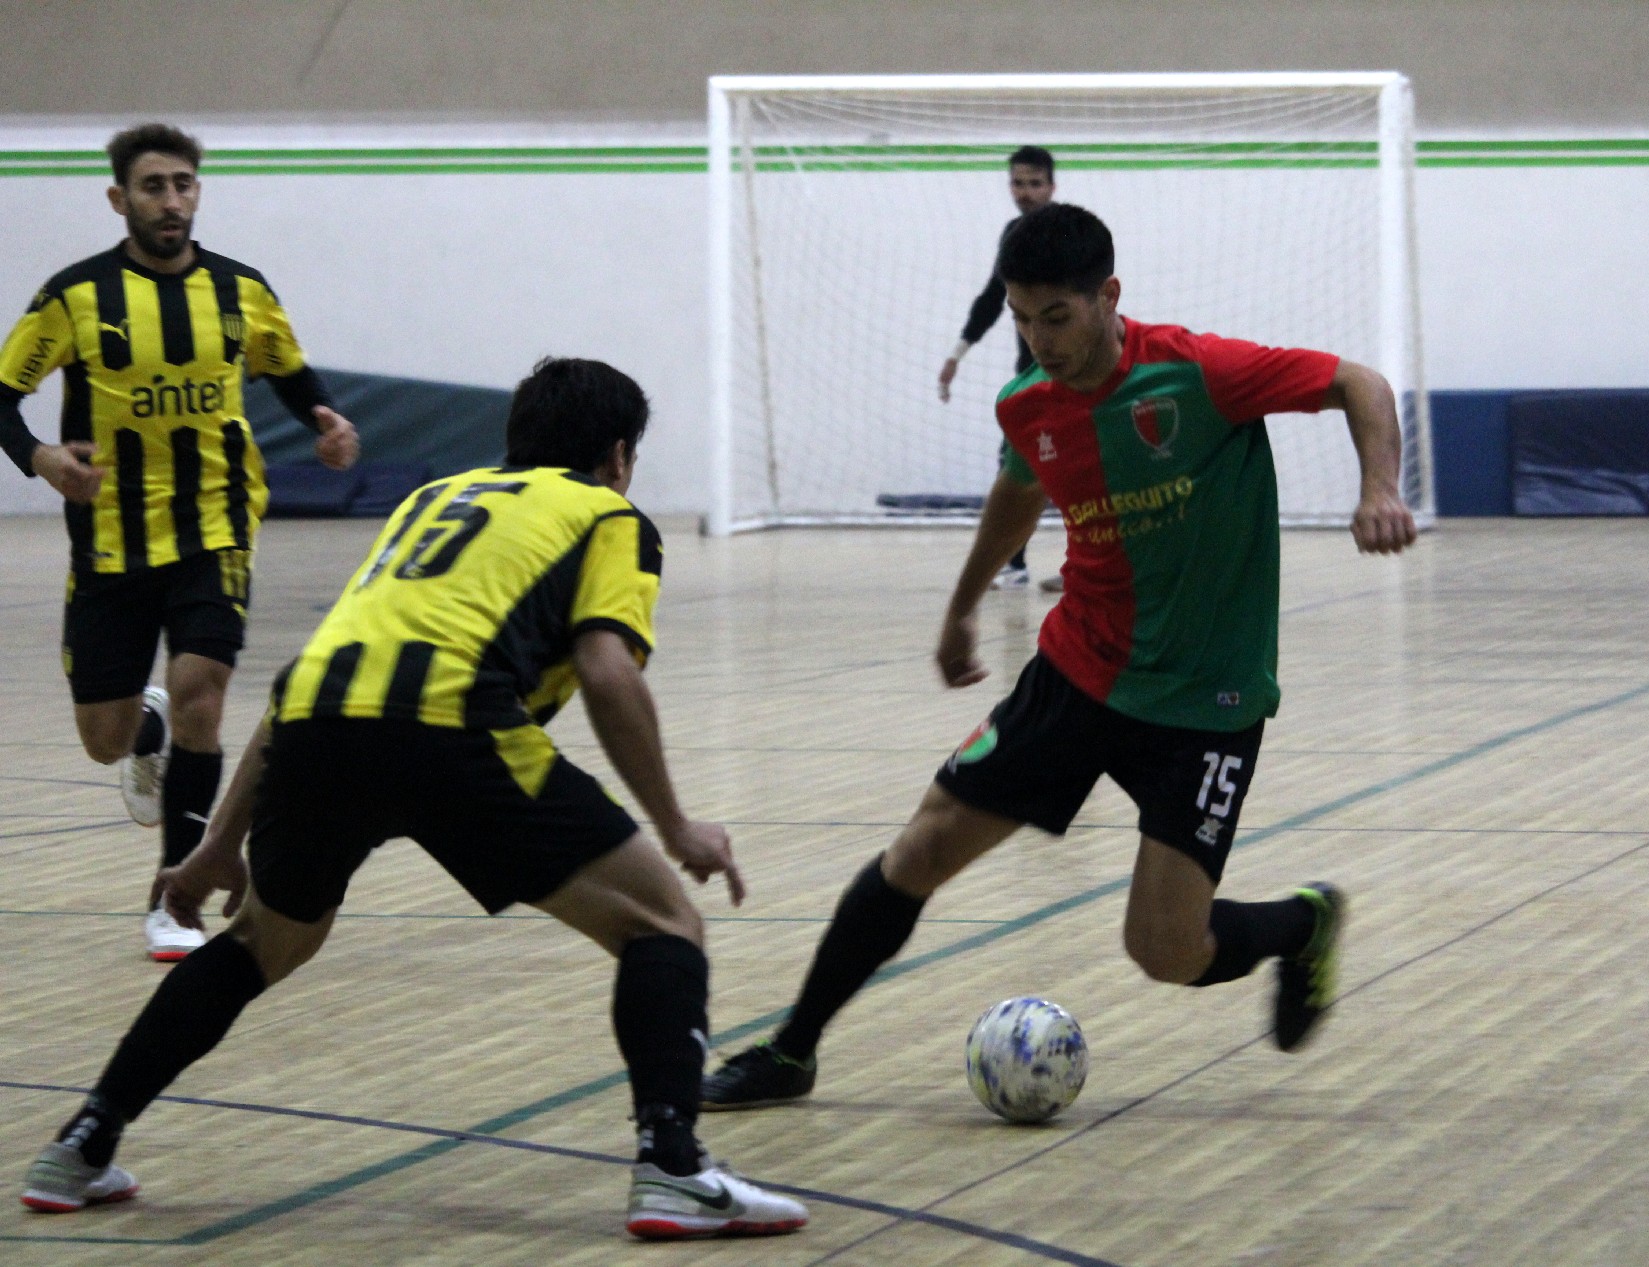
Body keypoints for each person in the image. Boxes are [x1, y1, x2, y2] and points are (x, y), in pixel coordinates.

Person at [18, 358, 809, 1241]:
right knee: (663, 924)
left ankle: (81, 1143)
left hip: (320, 723)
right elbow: (606, 668)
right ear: (619, 457)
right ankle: (671, 1167)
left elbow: (306, 678)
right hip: (453, 725)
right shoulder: (607, 515)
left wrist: (215, 847)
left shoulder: (433, 499)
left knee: (262, 942)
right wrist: (676, 825)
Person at [704, 203, 1416, 1111]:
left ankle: (1300, 924)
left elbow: (1361, 382)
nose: (1039, 339)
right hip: (1078, 673)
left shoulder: (1199, 372)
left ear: (1108, 297)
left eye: (1057, 317)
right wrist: (961, 611)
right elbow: (1019, 493)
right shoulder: (1027, 404)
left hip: (1206, 700)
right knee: (922, 848)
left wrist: (1380, 489)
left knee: (1165, 950)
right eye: (1021, 318)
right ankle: (791, 1050)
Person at [0, 122, 360, 962]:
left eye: (185, 184)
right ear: (119, 198)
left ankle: (176, 893)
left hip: (217, 523)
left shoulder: (240, 290)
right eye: (154, 186)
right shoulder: (75, 297)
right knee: (104, 736)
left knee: (203, 690)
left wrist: (323, 416)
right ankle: (144, 736)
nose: (172, 200)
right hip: (111, 542)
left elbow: (284, 365)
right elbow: (0, 397)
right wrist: (42, 457)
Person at [937, 144, 1063, 594]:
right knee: (1016, 463)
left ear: (1051, 186)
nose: (1025, 192)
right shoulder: (1012, 233)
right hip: (1030, 372)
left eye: (1034, 183)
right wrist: (957, 353)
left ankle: (1086, 566)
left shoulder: (1068, 232)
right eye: (1018, 183)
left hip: (1070, 370)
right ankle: (1014, 565)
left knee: (1080, 464)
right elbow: (993, 297)